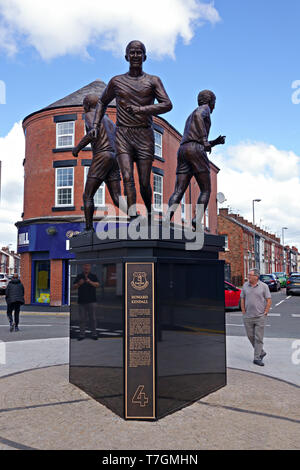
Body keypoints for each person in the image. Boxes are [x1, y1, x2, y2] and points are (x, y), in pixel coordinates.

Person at [90, 40, 172, 218]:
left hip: (144, 134)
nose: (135, 56)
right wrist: (95, 125)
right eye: (132, 53)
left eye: (139, 52)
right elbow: (102, 102)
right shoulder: (117, 81)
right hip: (123, 134)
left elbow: (167, 104)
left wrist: (142, 110)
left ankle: (149, 213)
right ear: (126, 56)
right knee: (127, 176)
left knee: (144, 182)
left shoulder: (153, 81)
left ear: (145, 56)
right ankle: (133, 215)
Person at [166, 90, 225, 229]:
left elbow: (194, 137)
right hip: (196, 150)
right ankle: (196, 220)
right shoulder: (203, 110)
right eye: (214, 103)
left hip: (183, 149)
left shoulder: (190, 116)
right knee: (206, 190)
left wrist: (215, 142)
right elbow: (199, 139)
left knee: (179, 190)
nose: (214, 106)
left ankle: (167, 217)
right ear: (210, 102)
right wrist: (204, 141)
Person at [72, 93, 125, 233]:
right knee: (117, 197)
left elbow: (92, 134)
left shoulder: (91, 115)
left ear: (87, 105)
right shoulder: (109, 121)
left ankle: (89, 229)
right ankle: (137, 217)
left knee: (87, 195)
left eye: (84, 103)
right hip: (115, 158)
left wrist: (77, 148)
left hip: (102, 155)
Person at [240, 268, 272, 366]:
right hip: (248, 316)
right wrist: (243, 311)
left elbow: (268, 300)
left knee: (258, 338)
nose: (248, 276)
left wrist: (265, 312)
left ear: (256, 277)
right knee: (250, 336)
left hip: (259, 317)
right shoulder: (245, 286)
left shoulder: (264, 286)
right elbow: (242, 298)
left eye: (250, 275)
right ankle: (261, 352)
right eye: (248, 275)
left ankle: (257, 358)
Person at [73, 264, 100, 340]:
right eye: (85, 266)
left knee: (93, 319)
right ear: (83, 267)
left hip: (92, 301)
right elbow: (74, 287)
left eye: (88, 266)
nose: (86, 268)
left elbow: (97, 285)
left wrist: (90, 282)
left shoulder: (93, 276)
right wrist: (79, 283)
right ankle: (82, 334)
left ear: (90, 267)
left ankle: (94, 334)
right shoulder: (79, 276)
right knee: (82, 319)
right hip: (81, 301)